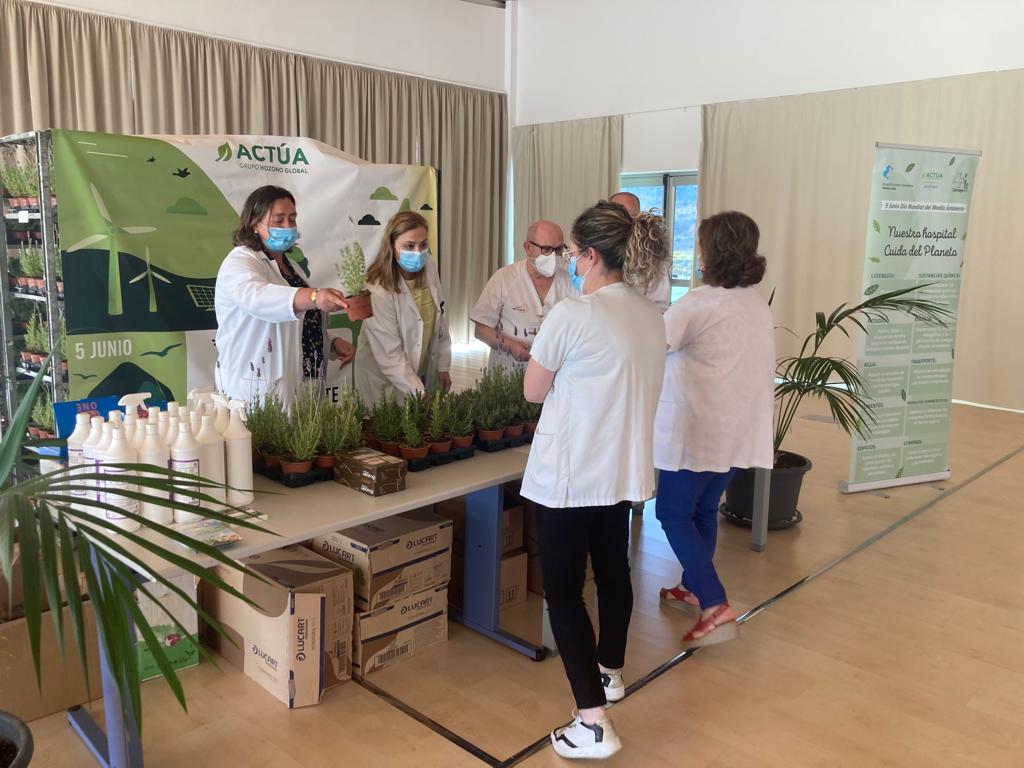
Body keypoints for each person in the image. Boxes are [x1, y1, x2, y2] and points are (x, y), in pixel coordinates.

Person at [520, 200, 669, 760]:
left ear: (586, 255)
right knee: (612, 572)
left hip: (569, 473)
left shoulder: (573, 314)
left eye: (571, 254)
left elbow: (534, 391)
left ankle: (592, 722)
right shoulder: (649, 313)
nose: (566, 262)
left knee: (562, 590)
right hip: (620, 471)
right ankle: (610, 673)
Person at [654, 210, 775, 648]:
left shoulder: (697, 305)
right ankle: (692, 585)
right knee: (703, 511)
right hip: (736, 434)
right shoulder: (754, 303)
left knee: (671, 513)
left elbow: (652, 346)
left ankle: (715, 604)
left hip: (697, 433)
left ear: (710, 252)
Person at [215, 185, 354, 408]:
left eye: (292, 219)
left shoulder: (290, 266)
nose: (288, 226)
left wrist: (331, 342)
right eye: (279, 221)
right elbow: (259, 298)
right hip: (260, 386)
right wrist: (315, 296)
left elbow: (298, 324)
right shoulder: (240, 261)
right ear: (254, 224)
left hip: (306, 378)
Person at [355, 211, 451, 406]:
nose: (418, 252)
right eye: (408, 246)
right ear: (391, 246)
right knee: (389, 429)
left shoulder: (430, 266)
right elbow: (390, 356)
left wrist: (443, 365)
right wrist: (419, 393)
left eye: (423, 244)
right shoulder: (377, 288)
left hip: (420, 369)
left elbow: (440, 317)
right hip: (382, 379)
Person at [470, 220, 576, 369]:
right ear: (528, 248)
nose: (553, 256)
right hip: (507, 373)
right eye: (546, 250)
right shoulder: (504, 278)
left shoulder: (569, 283)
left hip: (554, 376)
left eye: (558, 250)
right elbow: (481, 330)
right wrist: (510, 346)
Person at [610, 191, 671, 312]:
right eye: (618, 216)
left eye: (631, 217)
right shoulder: (592, 251)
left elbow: (659, 308)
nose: (625, 223)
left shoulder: (653, 259)